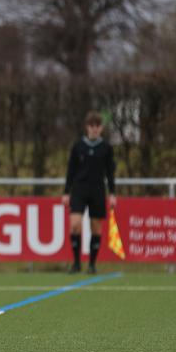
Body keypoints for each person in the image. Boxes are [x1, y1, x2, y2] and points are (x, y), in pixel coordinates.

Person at [61, 110, 116, 275]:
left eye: (97, 126)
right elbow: (71, 170)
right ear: (87, 127)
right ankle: (76, 263)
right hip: (79, 189)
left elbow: (110, 172)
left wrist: (112, 193)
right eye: (91, 126)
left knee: (96, 228)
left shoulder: (106, 148)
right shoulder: (78, 146)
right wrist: (66, 192)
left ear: (101, 128)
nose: (94, 129)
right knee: (75, 225)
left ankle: (92, 264)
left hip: (98, 190)